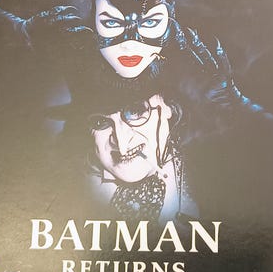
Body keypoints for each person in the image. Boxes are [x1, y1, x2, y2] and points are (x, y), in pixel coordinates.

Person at [83, 89, 198, 225]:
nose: (122, 143)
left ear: (167, 107)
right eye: (100, 122)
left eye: (135, 111)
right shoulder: (81, 196)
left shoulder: (206, 173)